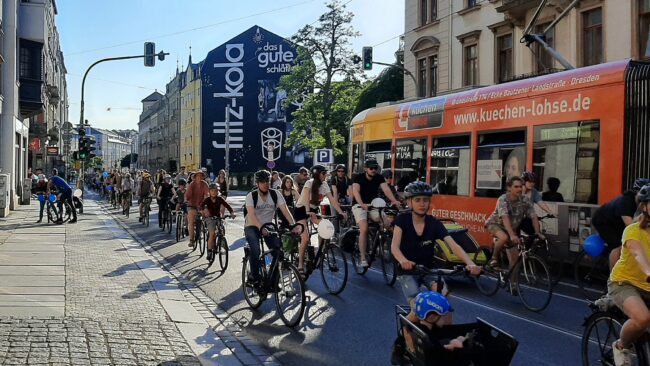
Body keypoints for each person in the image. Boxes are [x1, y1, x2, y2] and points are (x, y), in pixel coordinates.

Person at [391, 181, 481, 305]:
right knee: (418, 305)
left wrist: (470, 264)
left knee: (443, 302)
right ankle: (407, 324)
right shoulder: (402, 220)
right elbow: (394, 247)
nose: (422, 204)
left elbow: (454, 245)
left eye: (425, 200)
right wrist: (403, 261)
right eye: (417, 200)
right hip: (408, 271)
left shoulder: (434, 223)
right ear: (408, 202)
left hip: (429, 269)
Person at [609, 183, 650, 366]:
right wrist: (648, 271)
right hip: (624, 283)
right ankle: (621, 346)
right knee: (642, 318)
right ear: (644, 206)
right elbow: (637, 254)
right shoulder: (632, 230)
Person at [244, 170, 298, 287]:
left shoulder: (275, 194)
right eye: (262, 182)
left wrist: (293, 225)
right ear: (257, 183)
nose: (265, 184)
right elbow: (252, 216)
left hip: (268, 226)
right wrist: (261, 228)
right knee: (256, 250)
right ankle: (255, 278)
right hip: (252, 225)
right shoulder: (251, 196)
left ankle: (272, 281)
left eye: (267, 181)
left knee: (278, 251)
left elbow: (286, 211)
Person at [294, 165, 347, 275]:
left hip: (313, 210)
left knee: (325, 226)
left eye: (326, 173)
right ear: (317, 174)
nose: (326, 175)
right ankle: (300, 264)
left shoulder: (324, 185)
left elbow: (332, 200)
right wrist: (308, 212)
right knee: (305, 238)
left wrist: (341, 212)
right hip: (302, 210)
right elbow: (306, 199)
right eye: (323, 173)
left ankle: (320, 253)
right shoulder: (310, 183)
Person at [485, 176, 544, 270]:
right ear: (509, 188)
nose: (519, 189)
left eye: (521, 186)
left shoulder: (525, 200)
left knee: (515, 260)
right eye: (516, 187)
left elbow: (533, 216)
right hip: (495, 224)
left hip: (510, 228)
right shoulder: (503, 199)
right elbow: (505, 217)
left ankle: (513, 284)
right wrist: (512, 235)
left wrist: (538, 232)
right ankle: (494, 259)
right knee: (504, 237)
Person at [352, 158, 401, 268]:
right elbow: (356, 191)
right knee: (364, 228)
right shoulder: (358, 178)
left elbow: (386, 189)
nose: (374, 170)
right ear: (365, 168)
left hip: (373, 205)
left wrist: (394, 200)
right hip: (359, 206)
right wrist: (361, 203)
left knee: (387, 224)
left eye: (375, 168)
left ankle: (380, 244)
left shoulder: (379, 178)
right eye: (371, 168)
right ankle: (363, 258)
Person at [592, 178, 649, 270]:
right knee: (618, 246)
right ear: (636, 192)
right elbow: (630, 227)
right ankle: (613, 279)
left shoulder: (642, 202)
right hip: (603, 221)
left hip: (616, 221)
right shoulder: (625, 203)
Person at [201, 183, 235, 261]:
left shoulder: (220, 199)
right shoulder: (207, 200)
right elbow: (201, 205)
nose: (214, 192)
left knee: (221, 230)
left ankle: (221, 241)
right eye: (212, 190)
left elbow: (227, 205)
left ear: (218, 191)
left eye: (216, 191)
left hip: (218, 217)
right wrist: (205, 209)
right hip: (210, 218)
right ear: (209, 191)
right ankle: (209, 251)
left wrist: (232, 213)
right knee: (212, 233)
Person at [185, 170, 210, 248]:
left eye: (201, 176)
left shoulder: (205, 184)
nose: (199, 177)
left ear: (202, 177)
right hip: (192, 205)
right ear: (195, 177)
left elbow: (207, 194)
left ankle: (208, 230)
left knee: (208, 214)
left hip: (201, 205)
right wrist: (186, 199)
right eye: (197, 176)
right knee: (191, 221)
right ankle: (191, 240)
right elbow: (188, 195)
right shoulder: (191, 185)